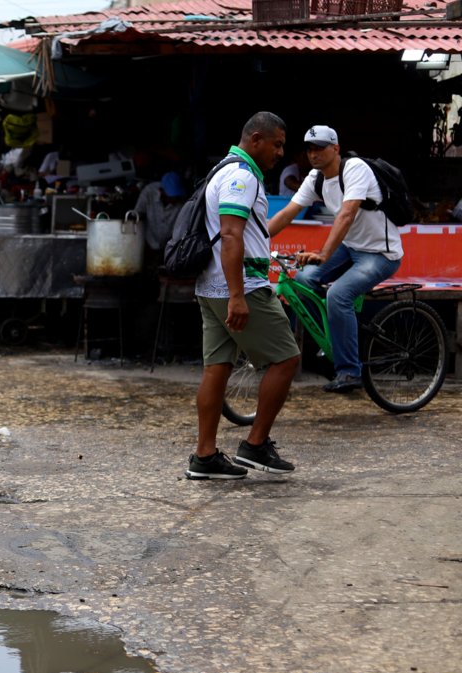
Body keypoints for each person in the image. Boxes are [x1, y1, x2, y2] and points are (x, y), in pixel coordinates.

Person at [187, 111, 300, 481]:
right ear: (256, 139)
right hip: (241, 287)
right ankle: (255, 444)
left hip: (210, 285)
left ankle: (204, 456)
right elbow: (231, 234)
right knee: (286, 359)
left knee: (217, 366)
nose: (280, 152)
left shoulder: (221, 170)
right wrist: (237, 295)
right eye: (277, 144)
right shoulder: (242, 175)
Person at [268, 125, 404, 393]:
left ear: (336, 148)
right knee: (303, 280)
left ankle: (349, 372)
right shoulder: (315, 178)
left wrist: (323, 254)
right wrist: (255, 240)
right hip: (350, 248)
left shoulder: (355, 169)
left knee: (338, 295)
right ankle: (333, 338)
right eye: (309, 149)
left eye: (319, 148)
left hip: (380, 254)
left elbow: (346, 214)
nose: (313, 154)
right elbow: (287, 213)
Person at [135, 170, 186, 253]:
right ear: (161, 191)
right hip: (148, 242)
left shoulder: (181, 202)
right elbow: (138, 214)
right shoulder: (149, 192)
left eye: (176, 197)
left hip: (169, 246)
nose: (174, 199)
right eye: (171, 197)